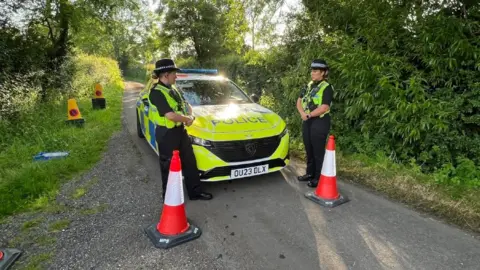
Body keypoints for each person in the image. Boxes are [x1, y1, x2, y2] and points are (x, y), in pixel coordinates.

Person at [148, 58, 213, 200]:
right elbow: (170, 115)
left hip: (180, 131)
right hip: (166, 134)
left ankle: (195, 192)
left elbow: (185, 104)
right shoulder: (156, 93)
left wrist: (190, 115)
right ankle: (169, 198)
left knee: (189, 161)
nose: (176, 76)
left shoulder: (173, 88)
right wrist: (187, 119)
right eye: (173, 74)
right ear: (165, 75)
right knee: (169, 166)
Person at [296, 59, 334, 188]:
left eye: (315, 71)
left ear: (323, 73)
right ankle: (309, 173)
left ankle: (318, 177)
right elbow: (299, 100)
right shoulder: (309, 85)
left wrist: (309, 115)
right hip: (307, 120)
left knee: (318, 151)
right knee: (309, 149)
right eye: (312, 70)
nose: (312, 73)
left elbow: (324, 107)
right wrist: (302, 113)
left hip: (320, 121)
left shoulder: (327, 87)